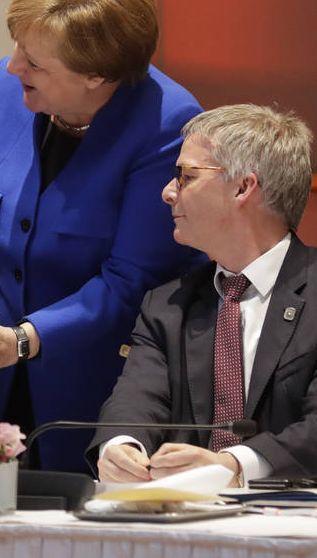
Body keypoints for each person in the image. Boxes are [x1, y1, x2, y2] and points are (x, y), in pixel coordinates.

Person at [0, 0, 205, 472]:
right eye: (17, 47)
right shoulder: (5, 88)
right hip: (1, 391)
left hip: (102, 403)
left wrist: (23, 339)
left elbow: (131, 281)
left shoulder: (168, 124)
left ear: (96, 76)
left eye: (34, 62)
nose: (13, 67)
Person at [90, 105, 317, 485]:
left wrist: (234, 465)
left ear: (243, 188)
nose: (167, 192)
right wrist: (121, 446)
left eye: (186, 177)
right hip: (185, 514)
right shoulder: (166, 306)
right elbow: (136, 400)